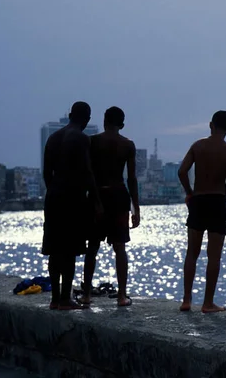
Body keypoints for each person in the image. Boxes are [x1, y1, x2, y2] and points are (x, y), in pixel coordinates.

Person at [177, 110, 226, 313]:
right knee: (214, 257)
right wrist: (220, 193)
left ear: (210, 125)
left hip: (198, 201)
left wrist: (190, 193)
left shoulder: (198, 146)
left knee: (191, 254)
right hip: (217, 202)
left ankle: (186, 300)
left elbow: (182, 171)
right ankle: (207, 303)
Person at [42, 101, 102, 311]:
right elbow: (87, 172)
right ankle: (66, 297)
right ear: (86, 119)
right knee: (69, 249)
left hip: (53, 197)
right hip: (73, 199)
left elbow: (46, 173)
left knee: (54, 248)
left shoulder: (52, 138)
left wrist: (54, 191)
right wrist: (96, 201)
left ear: (70, 115)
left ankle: (55, 299)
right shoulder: (81, 138)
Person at [79, 106, 140, 307]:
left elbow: (87, 173)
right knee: (120, 248)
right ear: (122, 125)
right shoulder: (128, 145)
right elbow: (132, 179)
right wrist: (136, 208)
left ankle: (86, 294)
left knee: (92, 248)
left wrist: (93, 201)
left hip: (98, 195)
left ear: (105, 121)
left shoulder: (92, 141)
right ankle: (122, 295)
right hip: (119, 196)